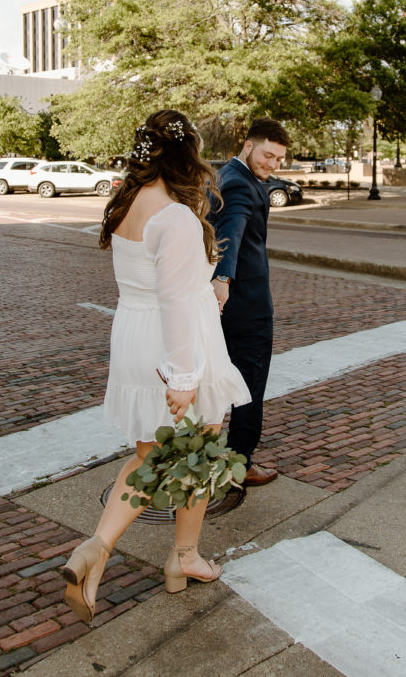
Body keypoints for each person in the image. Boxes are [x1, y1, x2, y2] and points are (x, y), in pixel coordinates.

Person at [62, 110, 250, 624]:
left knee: (150, 457)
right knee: (200, 451)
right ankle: (183, 558)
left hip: (133, 337)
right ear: (187, 157)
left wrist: (202, 290)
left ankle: (97, 548)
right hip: (177, 344)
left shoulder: (126, 204)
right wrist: (185, 378)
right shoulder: (176, 218)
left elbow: (158, 285)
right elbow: (173, 302)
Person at [209, 118, 290, 486]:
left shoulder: (225, 173)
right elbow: (232, 232)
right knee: (250, 383)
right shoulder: (241, 185)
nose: (272, 165)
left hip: (230, 305)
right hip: (248, 305)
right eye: (267, 155)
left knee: (218, 380)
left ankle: (208, 454)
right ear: (248, 145)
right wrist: (222, 279)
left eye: (278, 160)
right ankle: (239, 462)